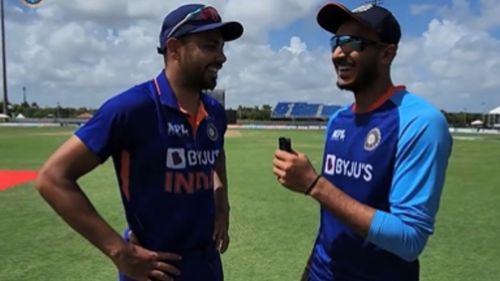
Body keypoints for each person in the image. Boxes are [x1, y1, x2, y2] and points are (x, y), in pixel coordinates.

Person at [35, 4, 243, 281]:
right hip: (154, 267)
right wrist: (119, 252)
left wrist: (221, 204)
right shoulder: (132, 109)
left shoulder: (214, 113)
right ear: (174, 49)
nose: (222, 57)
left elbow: (216, 153)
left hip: (206, 264)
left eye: (221, 47)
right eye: (210, 46)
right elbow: (52, 178)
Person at [272, 3, 452, 281]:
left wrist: (314, 184)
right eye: (336, 41)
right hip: (322, 270)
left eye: (352, 42)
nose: (337, 53)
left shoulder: (421, 122)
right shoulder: (338, 121)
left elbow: (410, 240)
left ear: (387, 53)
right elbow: (336, 215)